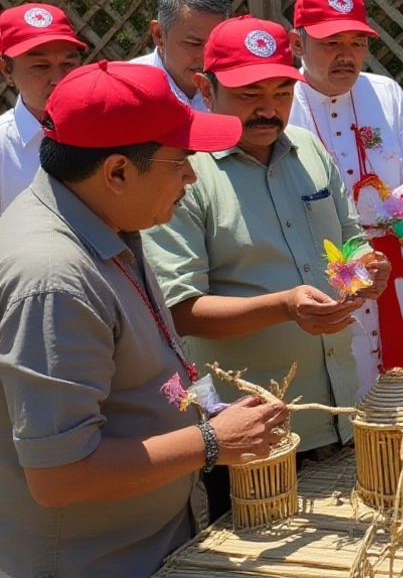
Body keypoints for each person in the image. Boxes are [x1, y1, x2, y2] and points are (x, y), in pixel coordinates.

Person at [0, 60, 286, 576]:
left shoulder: (107, 221)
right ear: (117, 172)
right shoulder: (54, 279)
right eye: (179, 162)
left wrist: (206, 414)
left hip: (144, 542)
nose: (192, 175)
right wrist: (213, 443)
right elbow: (59, 475)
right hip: (94, 560)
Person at [142, 15, 389, 518]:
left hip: (337, 412)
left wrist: (364, 269)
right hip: (246, 433)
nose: (268, 109)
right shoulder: (184, 171)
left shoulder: (309, 150)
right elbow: (180, 310)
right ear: (205, 90)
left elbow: (346, 241)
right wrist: (285, 306)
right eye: (249, 94)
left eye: (281, 92)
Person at [289, 0, 403, 396]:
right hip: (323, 272)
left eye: (357, 42)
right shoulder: (282, 103)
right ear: (297, 44)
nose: (347, 55)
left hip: (396, 269)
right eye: (332, 43)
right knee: (343, 387)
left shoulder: (386, 93)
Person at [0, 3, 85, 213]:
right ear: (6, 71)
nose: (58, 79)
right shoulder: (3, 150)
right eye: (41, 66)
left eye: (68, 64)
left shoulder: (110, 130)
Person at [131, 0, 232, 113]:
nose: (206, 56)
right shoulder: (129, 92)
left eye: (217, 44)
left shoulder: (236, 90)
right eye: (194, 43)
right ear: (159, 34)